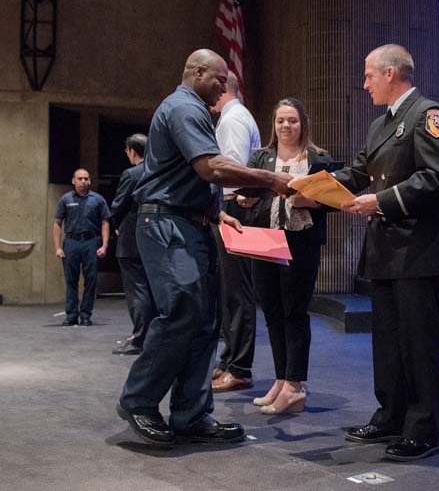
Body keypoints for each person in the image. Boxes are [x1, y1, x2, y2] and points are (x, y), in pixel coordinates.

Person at [116, 49, 293, 447]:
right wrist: (270, 178)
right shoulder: (183, 107)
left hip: (188, 222)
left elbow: (185, 177)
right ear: (197, 73)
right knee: (183, 310)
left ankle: (191, 415)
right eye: (219, 79)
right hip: (166, 224)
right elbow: (208, 167)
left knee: (205, 321)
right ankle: (139, 400)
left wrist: (215, 215)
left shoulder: (193, 109)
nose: (224, 86)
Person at [331, 44, 439, 461]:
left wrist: (381, 201)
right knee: (387, 340)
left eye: (368, 75)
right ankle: (390, 415)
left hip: (417, 247)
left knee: (418, 343)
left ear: (389, 74)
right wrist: (313, 190)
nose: (364, 83)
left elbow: (438, 176)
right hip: (386, 249)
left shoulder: (428, 114)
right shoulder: (379, 124)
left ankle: (424, 429)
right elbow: (358, 171)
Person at [247, 97, 334, 415]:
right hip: (265, 239)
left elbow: (334, 201)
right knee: (271, 310)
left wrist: (309, 202)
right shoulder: (261, 157)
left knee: (294, 312)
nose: (286, 126)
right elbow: (251, 194)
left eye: (292, 120)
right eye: (281, 120)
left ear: (303, 123)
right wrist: (246, 201)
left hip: (301, 242)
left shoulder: (318, 158)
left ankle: (295, 385)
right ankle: (281, 379)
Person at [209, 71, 262, 393]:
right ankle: (230, 360)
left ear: (219, 88)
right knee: (231, 293)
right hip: (233, 207)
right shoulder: (235, 117)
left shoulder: (232, 120)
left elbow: (232, 170)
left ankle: (239, 367)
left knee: (238, 293)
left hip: (234, 209)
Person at [110, 134, 155, 355]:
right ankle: (151, 335)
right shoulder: (158, 171)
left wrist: (115, 224)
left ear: (131, 150)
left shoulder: (131, 173)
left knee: (137, 291)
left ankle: (139, 339)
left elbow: (118, 205)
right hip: (155, 236)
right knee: (151, 289)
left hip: (131, 237)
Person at [52, 168, 111, 326]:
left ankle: (85, 315)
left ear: (90, 181)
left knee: (90, 280)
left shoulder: (98, 200)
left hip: (91, 242)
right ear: (73, 181)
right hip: (71, 242)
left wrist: (104, 245)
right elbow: (57, 223)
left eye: (86, 178)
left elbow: (105, 222)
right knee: (71, 280)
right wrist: (58, 247)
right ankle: (71, 315)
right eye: (80, 178)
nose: (83, 181)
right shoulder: (66, 199)